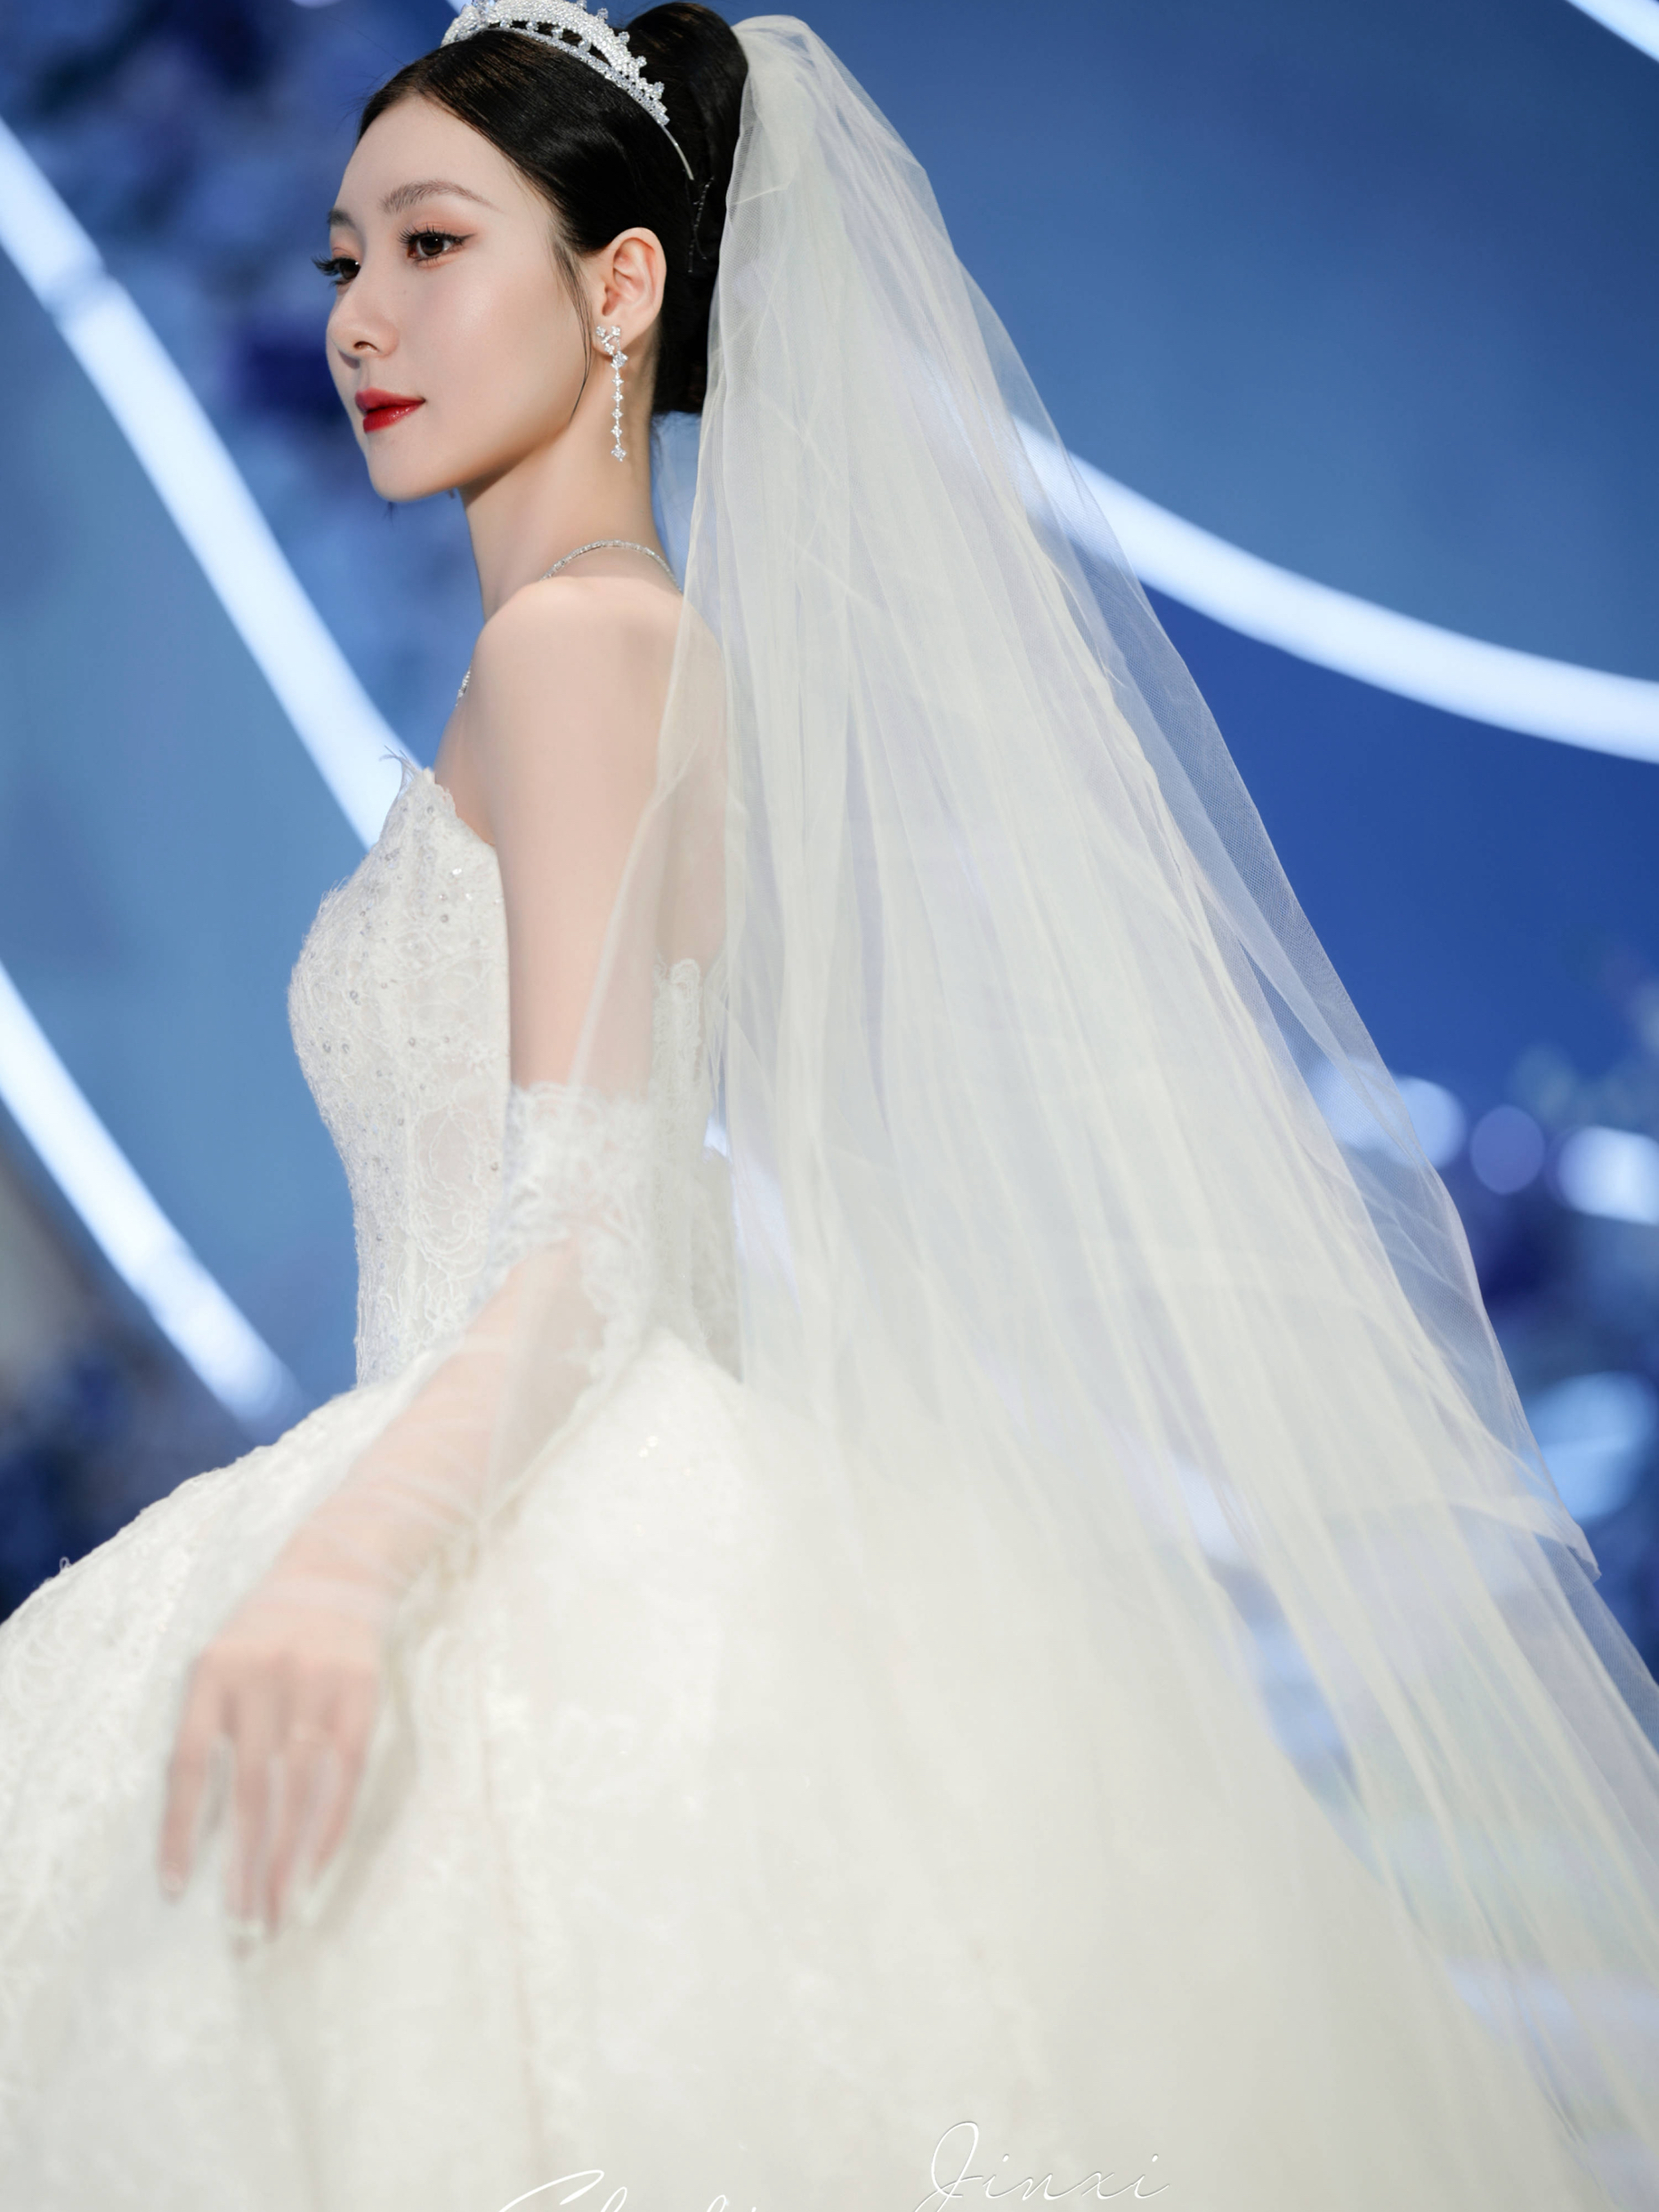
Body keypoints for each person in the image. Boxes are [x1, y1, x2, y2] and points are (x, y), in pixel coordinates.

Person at [2, 4, 1657, 2206]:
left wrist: (343, 1572)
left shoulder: (575, 651)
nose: (362, 319)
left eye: (432, 244)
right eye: (341, 260)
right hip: (581, 1489)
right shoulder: (610, 642)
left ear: (620, 282)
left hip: (514, 1525)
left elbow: (578, 1232)